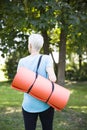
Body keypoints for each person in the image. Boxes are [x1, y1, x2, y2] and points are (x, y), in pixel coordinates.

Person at [17, 33, 56, 130]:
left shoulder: (22, 61)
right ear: (41, 45)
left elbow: (19, 82)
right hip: (46, 103)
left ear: (30, 45)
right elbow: (53, 78)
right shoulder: (47, 58)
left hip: (28, 105)